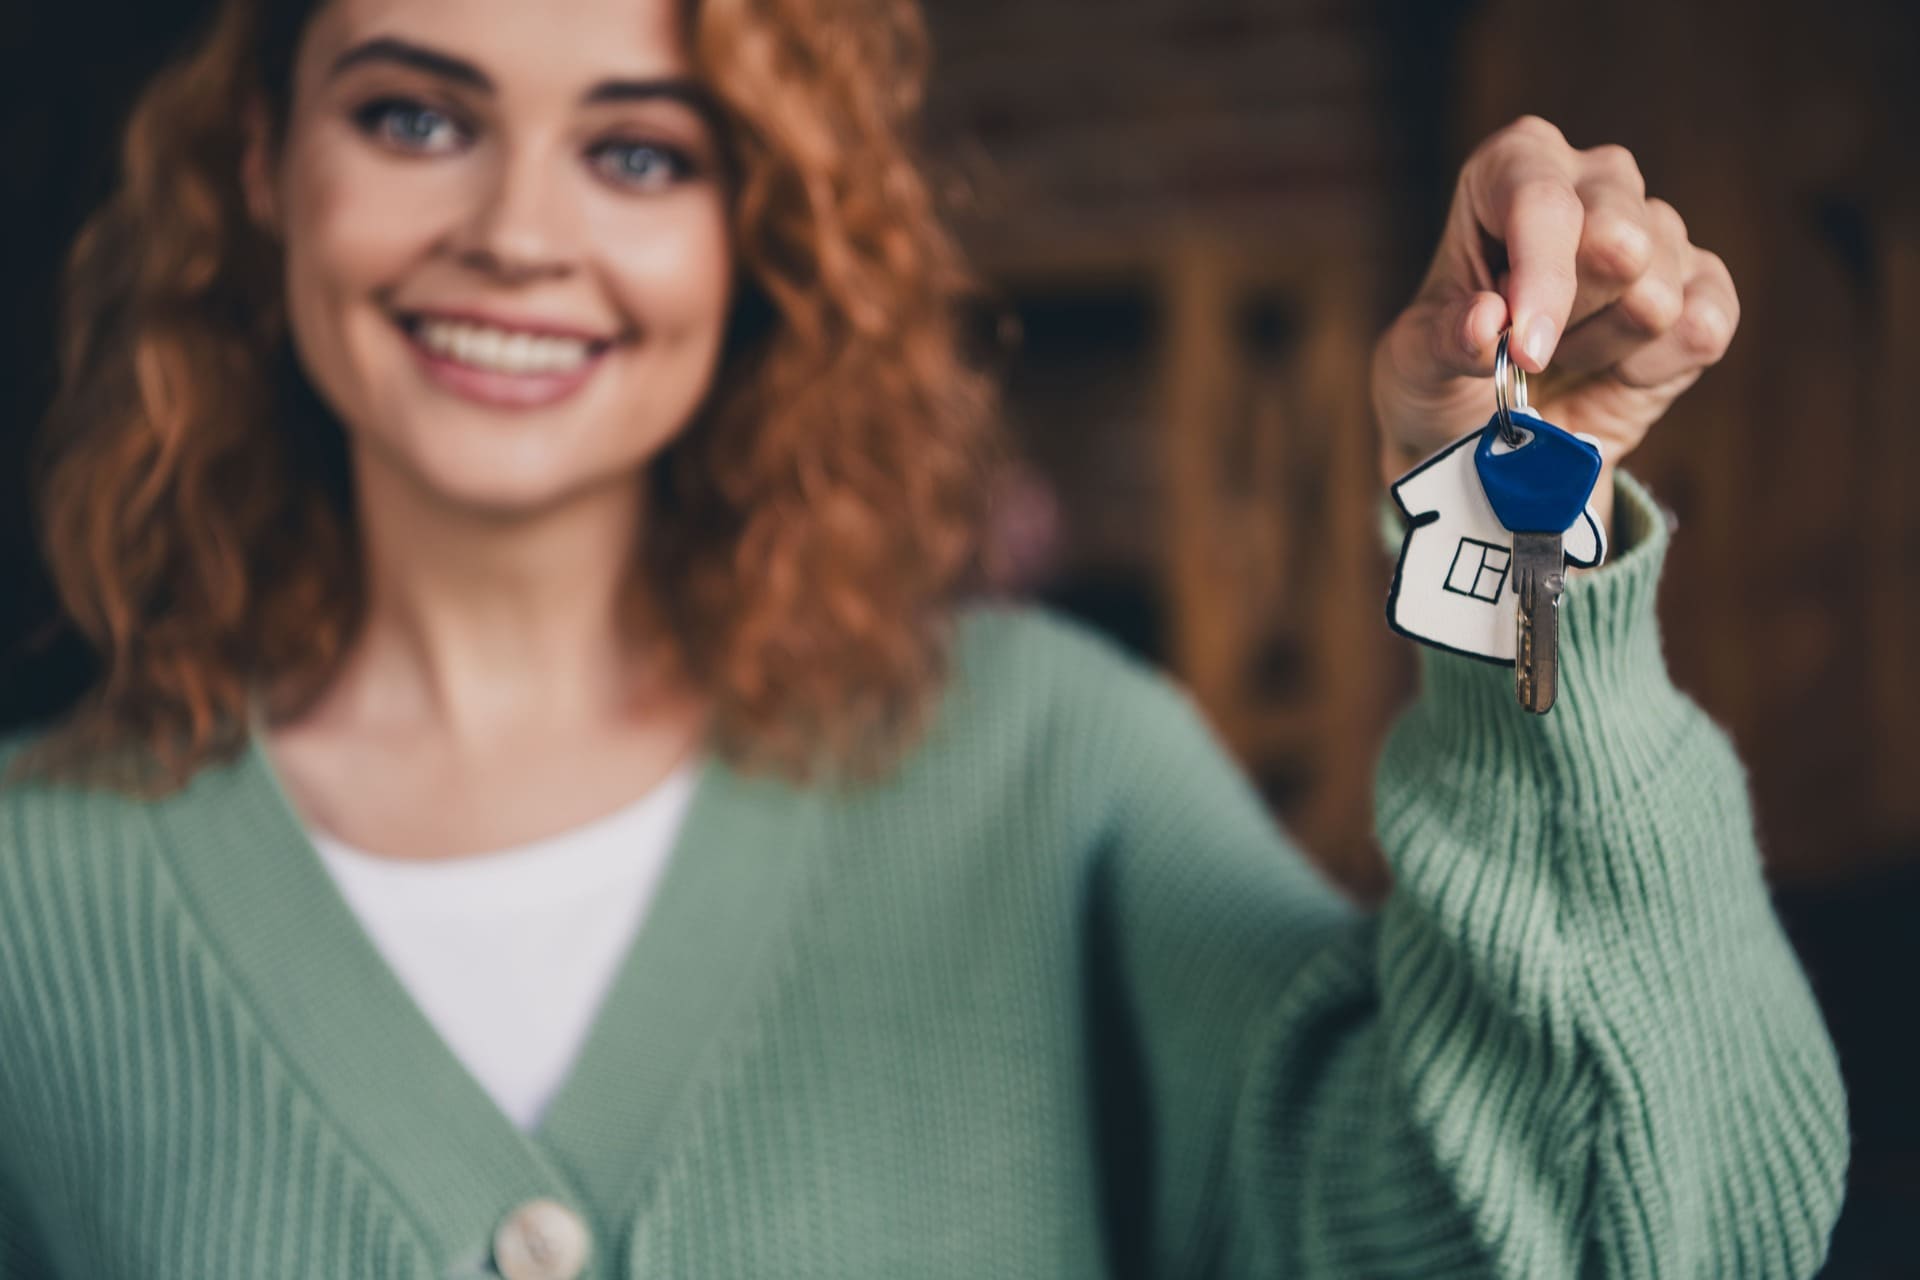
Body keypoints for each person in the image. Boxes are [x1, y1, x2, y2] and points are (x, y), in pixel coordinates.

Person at [0, 0, 1848, 1275]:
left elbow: (1595, 1226)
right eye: (415, 117)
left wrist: (1509, 500)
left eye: (640, 153)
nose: (515, 232)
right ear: (262, 165)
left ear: (757, 226)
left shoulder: (1045, 763)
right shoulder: (35, 889)